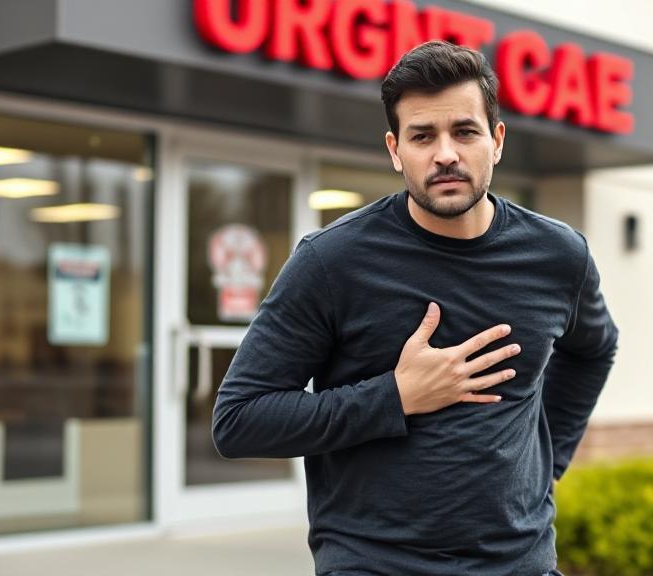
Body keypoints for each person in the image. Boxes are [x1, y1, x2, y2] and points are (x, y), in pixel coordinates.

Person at [212, 40, 618, 576]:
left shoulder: (558, 255)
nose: (445, 153)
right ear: (394, 149)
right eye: (422, 135)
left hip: (520, 562)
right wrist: (395, 396)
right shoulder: (332, 262)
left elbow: (594, 350)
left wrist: (548, 463)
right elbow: (239, 420)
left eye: (464, 131)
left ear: (496, 141)